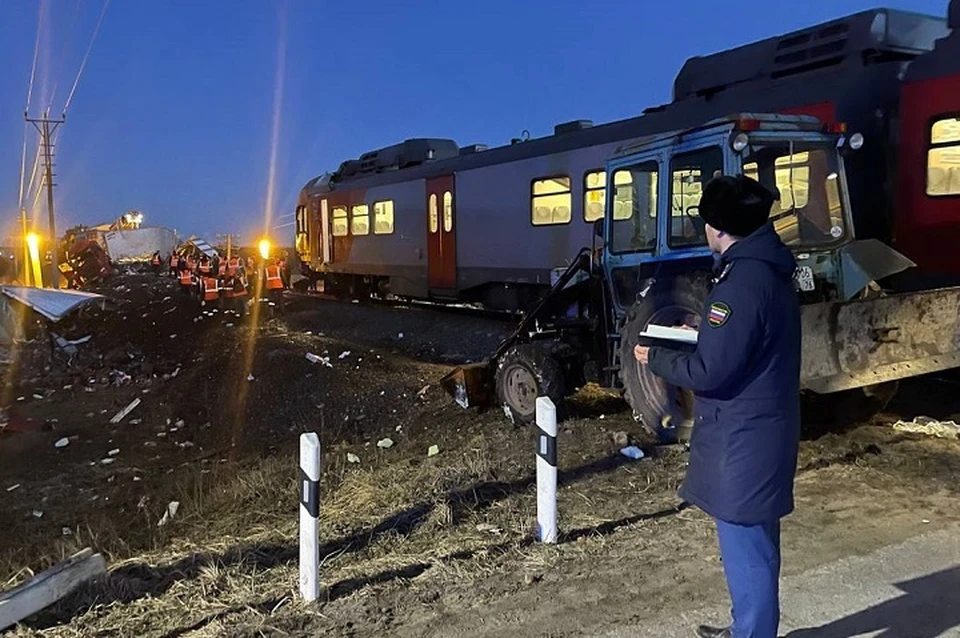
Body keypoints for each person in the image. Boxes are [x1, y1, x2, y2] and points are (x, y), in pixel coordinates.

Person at [633, 175, 801, 638]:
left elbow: (710, 371)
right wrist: (705, 329)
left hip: (743, 438)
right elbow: (741, 343)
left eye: (706, 222)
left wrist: (659, 357)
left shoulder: (740, 284)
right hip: (763, 431)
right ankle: (747, 628)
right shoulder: (765, 272)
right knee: (757, 546)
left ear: (719, 228)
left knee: (748, 551)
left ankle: (751, 633)